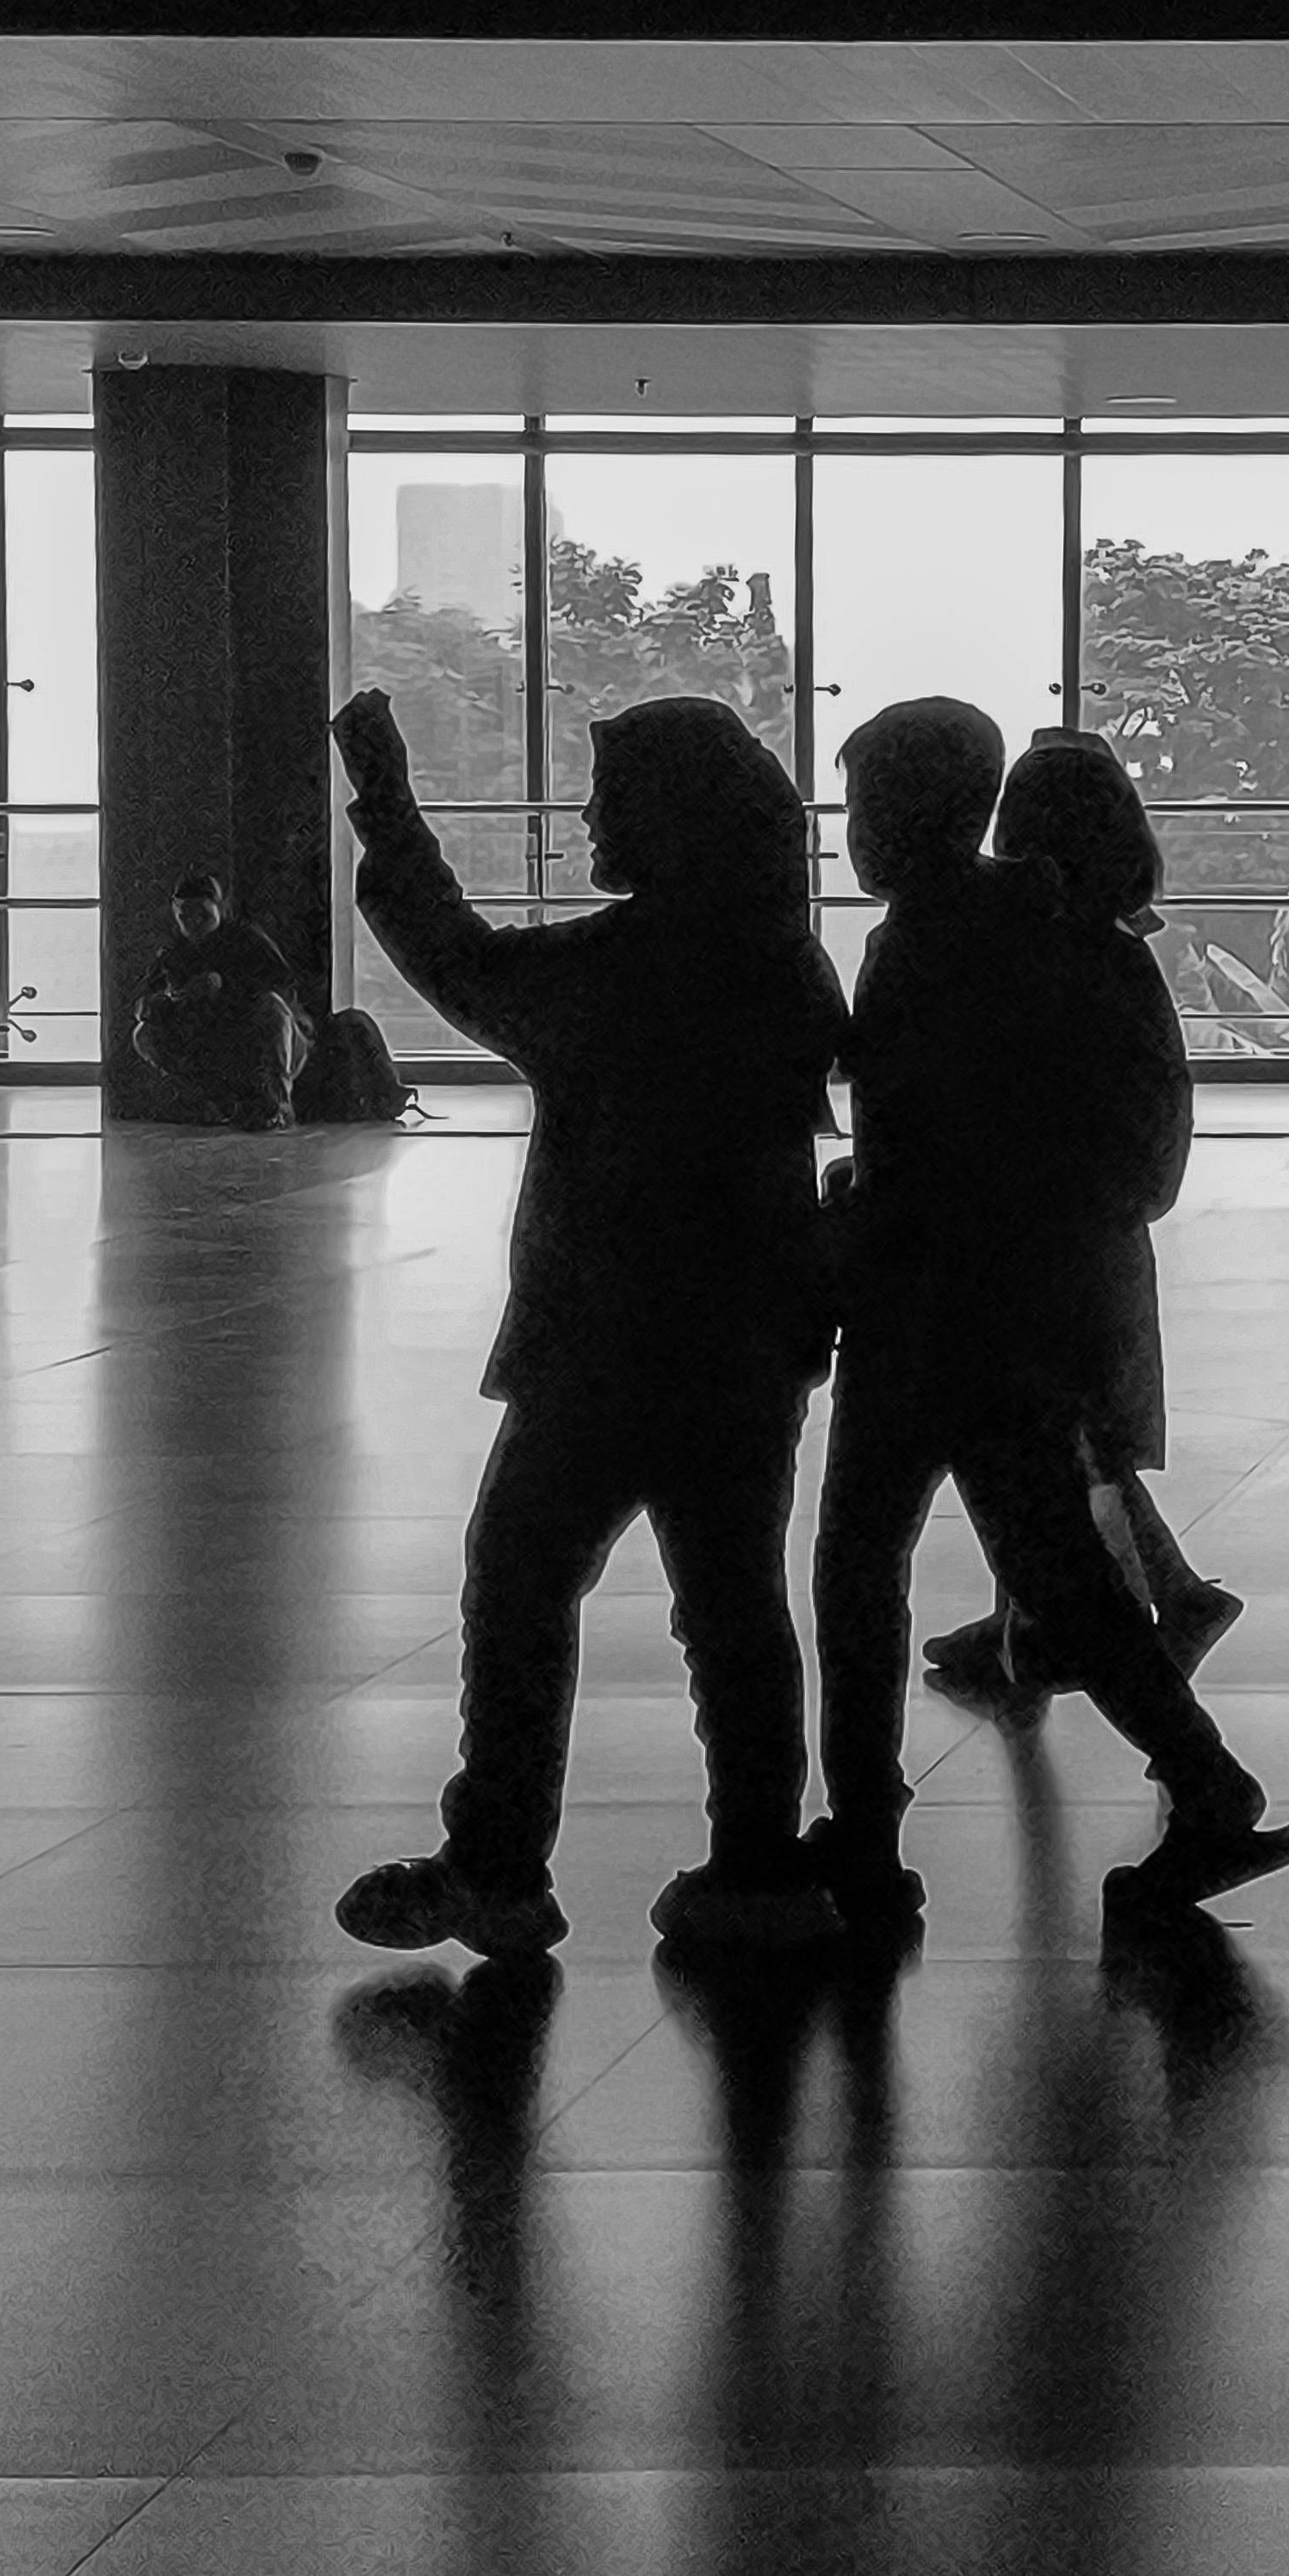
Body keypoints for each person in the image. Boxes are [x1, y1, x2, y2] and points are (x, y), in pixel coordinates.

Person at [325, 685, 852, 1960]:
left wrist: (389, 811)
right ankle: (756, 1861)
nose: (587, 813)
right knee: (730, 1601)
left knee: (519, 1577)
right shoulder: (780, 958)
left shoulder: (621, 972)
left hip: (603, 1337)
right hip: (744, 1337)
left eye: (609, 796)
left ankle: (498, 1857)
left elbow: (458, 960)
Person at [814, 694, 1289, 1934]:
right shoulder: (1075, 942)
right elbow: (1134, 1153)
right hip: (1021, 1308)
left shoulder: (917, 943)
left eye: (866, 807)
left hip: (924, 1313)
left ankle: (865, 1827)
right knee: (1060, 1571)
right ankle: (1204, 1781)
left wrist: (859, 1213)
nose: (852, 835)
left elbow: (919, 1147)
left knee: (864, 1565)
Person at [928, 729, 1236, 1696]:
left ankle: (1039, 1618)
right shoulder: (1119, 958)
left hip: (1030, 1241)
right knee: (1077, 1439)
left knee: (1033, 1440)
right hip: (1099, 1238)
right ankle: (1107, 1601)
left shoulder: (1013, 956)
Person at [121, 870, 311, 1129]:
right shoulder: (173, 953)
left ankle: (278, 1104)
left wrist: (226, 984)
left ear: (219, 909)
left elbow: (282, 987)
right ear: (175, 914)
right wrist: (162, 1001)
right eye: (185, 916)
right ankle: (212, 1102)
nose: (194, 922)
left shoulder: (247, 940)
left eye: (203, 915)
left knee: (273, 1010)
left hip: (256, 1034)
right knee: (143, 1033)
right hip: (209, 1040)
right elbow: (142, 1001)